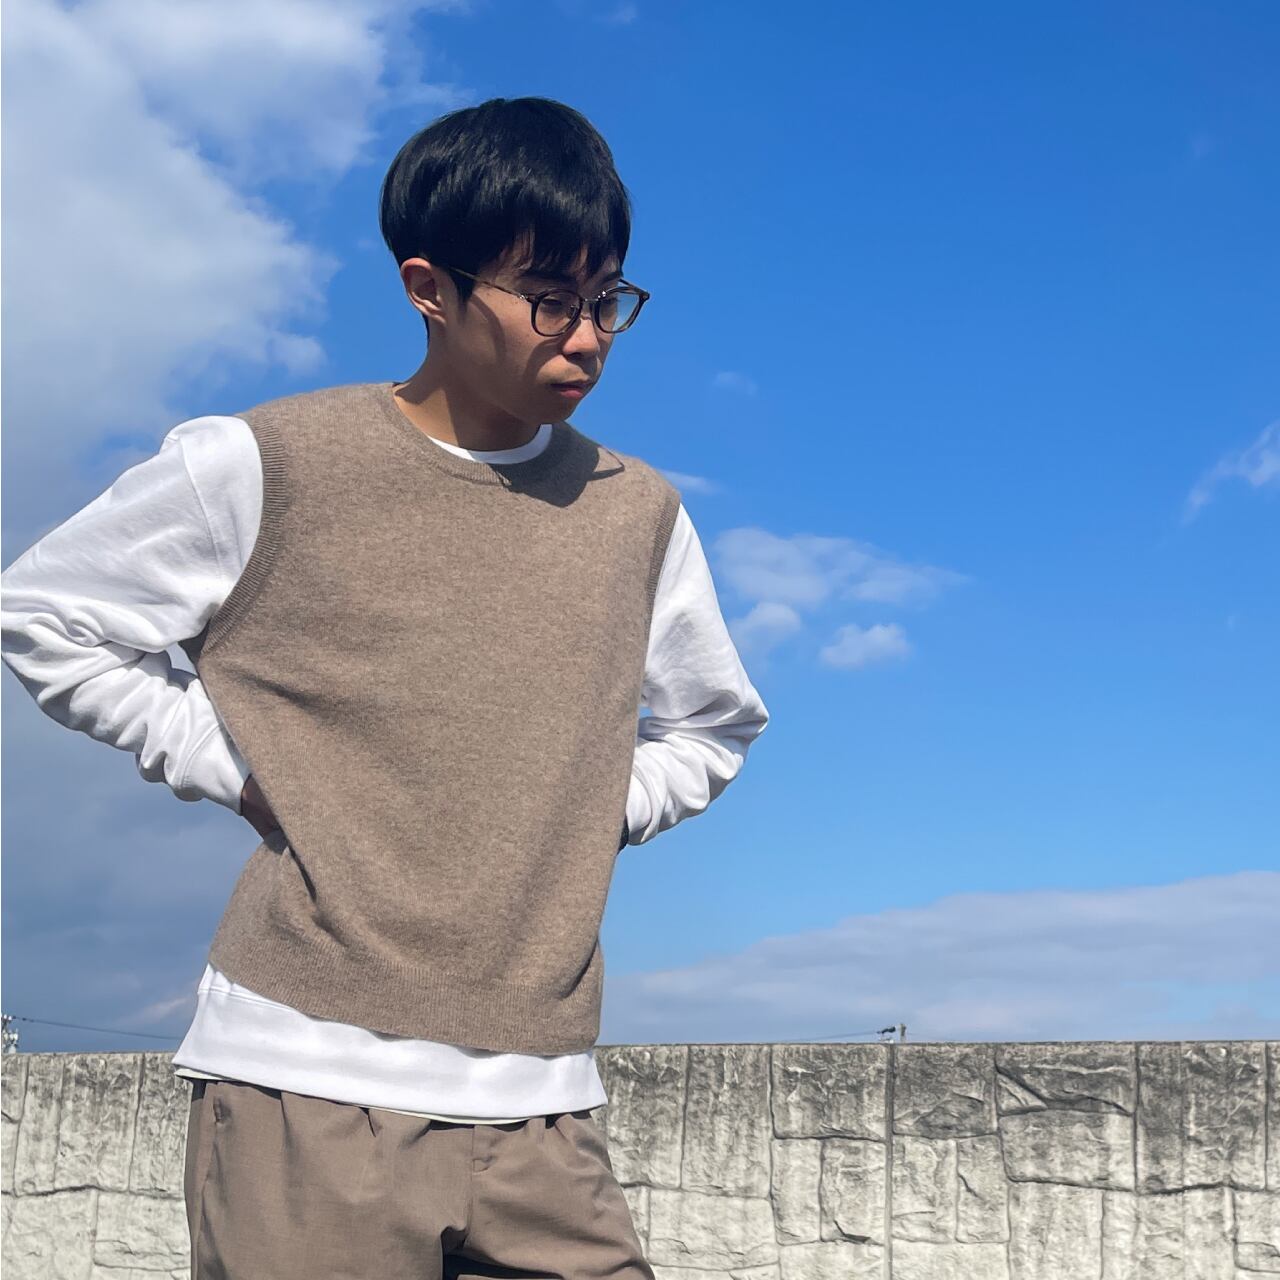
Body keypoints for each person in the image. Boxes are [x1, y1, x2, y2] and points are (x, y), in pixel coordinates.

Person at [0, 96, 769, 1278]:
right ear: (428, 288)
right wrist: (231, 765)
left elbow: (715, 722)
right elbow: (42, 612)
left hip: (546, 1103)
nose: (586, 337)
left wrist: (591, 808)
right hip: (302, 1081)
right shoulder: (266, 462)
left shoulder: (637, 512)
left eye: (606, 298)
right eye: (547, 298)